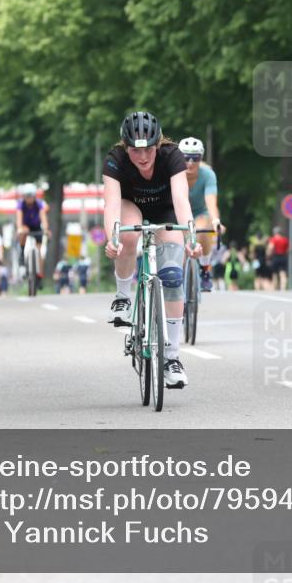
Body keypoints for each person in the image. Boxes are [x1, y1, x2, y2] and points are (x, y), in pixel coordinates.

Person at [103, 110, 201, 390]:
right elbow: (111, 203)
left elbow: (181, 200)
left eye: (148, 151)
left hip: (166, 209)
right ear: (126, 148)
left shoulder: (172, 156)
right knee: (127, 235)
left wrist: (191, 237)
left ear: (158, 145)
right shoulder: (115, 159)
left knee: (171, 275)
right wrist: (113, 237)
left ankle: (171, 358)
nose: (142, 158)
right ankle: (122, 297)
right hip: (130, 205)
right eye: (135, 151)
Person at [179, 137, 226, 292]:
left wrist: (216, 221)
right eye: (186, 158)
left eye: (195, 158)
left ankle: (205, 269)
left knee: (202, 230)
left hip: (200, 213)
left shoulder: (208, 175)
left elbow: (211, 202)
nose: (190, 162)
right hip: (178, 213)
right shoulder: (173, 174)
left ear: (201, 158)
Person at [15, 184, 49, 283]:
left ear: (34, 196)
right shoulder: (21, 204)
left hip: (36, 226)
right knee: (23, 231)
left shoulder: (39, 204)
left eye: (31, 196)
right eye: (27, 196)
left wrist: (46, 229)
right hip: (25, 226)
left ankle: (39, 275)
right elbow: (19, 218)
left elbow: (43, 217)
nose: (29, 199)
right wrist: (19, 228)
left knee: (39, 252)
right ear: (24, 196)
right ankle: (22, 254)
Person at [267, 226, 290, 290]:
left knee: (274, 273)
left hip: (276, 257)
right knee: (283, 273)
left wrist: (268, 257)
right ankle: (283, 288)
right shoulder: (285, 240)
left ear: (274, 233)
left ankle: (275, 287)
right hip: (283, 257)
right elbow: (288, 250)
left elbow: (270, 248)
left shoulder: (273, 239)